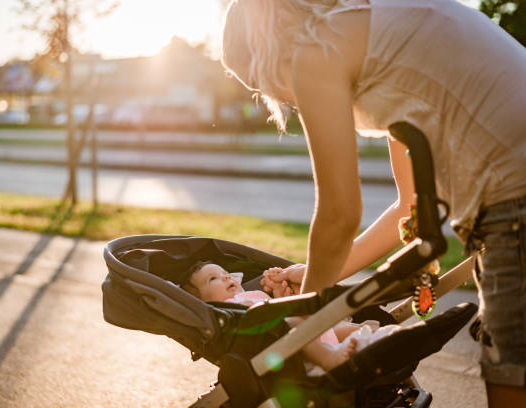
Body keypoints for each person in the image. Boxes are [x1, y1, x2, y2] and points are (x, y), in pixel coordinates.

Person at [219, 0, 526, 405]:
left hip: (514, 201)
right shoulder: (380, 32)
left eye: (257, 83)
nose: (274, 96)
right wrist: (315, 276)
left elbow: (339, 215)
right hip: (511, 193)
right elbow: (412, 206)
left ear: (265, 50)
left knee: (511, 380)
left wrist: (305, 314)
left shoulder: (317, 52)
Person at [181, 261, 396, 371]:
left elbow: (279, 306)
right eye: (213, 279)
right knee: (295, 321)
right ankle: (328, 357)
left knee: (341, 327)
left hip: (307, 329)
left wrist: (279, 292)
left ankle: (372, 336)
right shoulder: (224, 311)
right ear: (204, 302)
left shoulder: (252, 294)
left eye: (224, 272)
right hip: (288, 344)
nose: (225, 276)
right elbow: (272, 316)